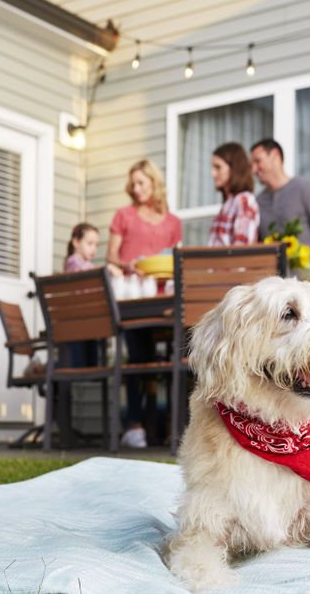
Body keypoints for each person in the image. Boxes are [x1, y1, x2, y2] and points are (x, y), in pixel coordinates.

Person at [107, 159, 181, 448]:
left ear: (154, 183)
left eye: (142, 183)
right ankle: (135, 424)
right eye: (133, 184)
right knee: (137, 358)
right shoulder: (123, 215)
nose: (137, 189)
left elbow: (176, 259)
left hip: (166, 300)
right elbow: (111, 255)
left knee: (173, 359)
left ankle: (169, 425)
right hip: (135, 295)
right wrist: (128, 266)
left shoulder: (173, 222)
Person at [250, 138, 310, 259]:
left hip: (305, 277)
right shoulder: (257, 202)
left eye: (258, 161)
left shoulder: (306, 188)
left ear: (275, 155)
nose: (253, 170)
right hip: (272, 277)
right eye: (252, 165)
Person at [207, 142, 259, 246]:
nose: (212, 174)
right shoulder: (228, 203)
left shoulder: (244, 200)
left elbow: (240, 248)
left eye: (218, 167)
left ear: (234, 168)